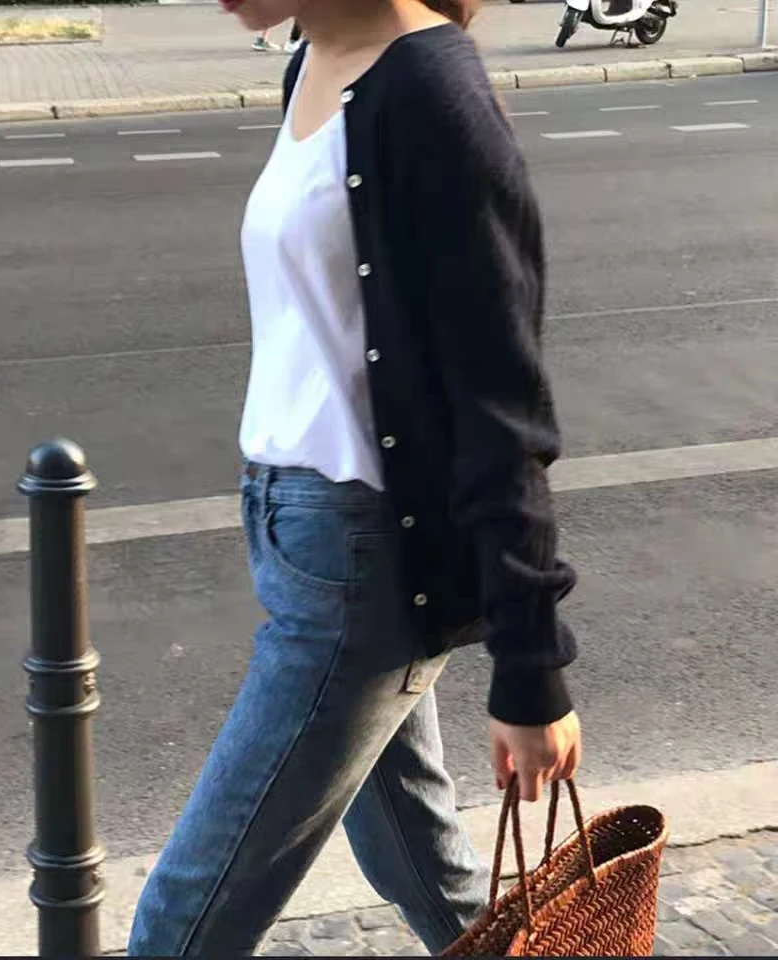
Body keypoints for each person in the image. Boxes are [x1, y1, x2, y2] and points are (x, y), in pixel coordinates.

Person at [129, 0, 583, 955]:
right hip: (294, 532)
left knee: (182, 923)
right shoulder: (311, 61)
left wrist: (532, 669)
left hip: (363, 565)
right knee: (428, 874)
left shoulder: (431, 94)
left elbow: (500, 404)